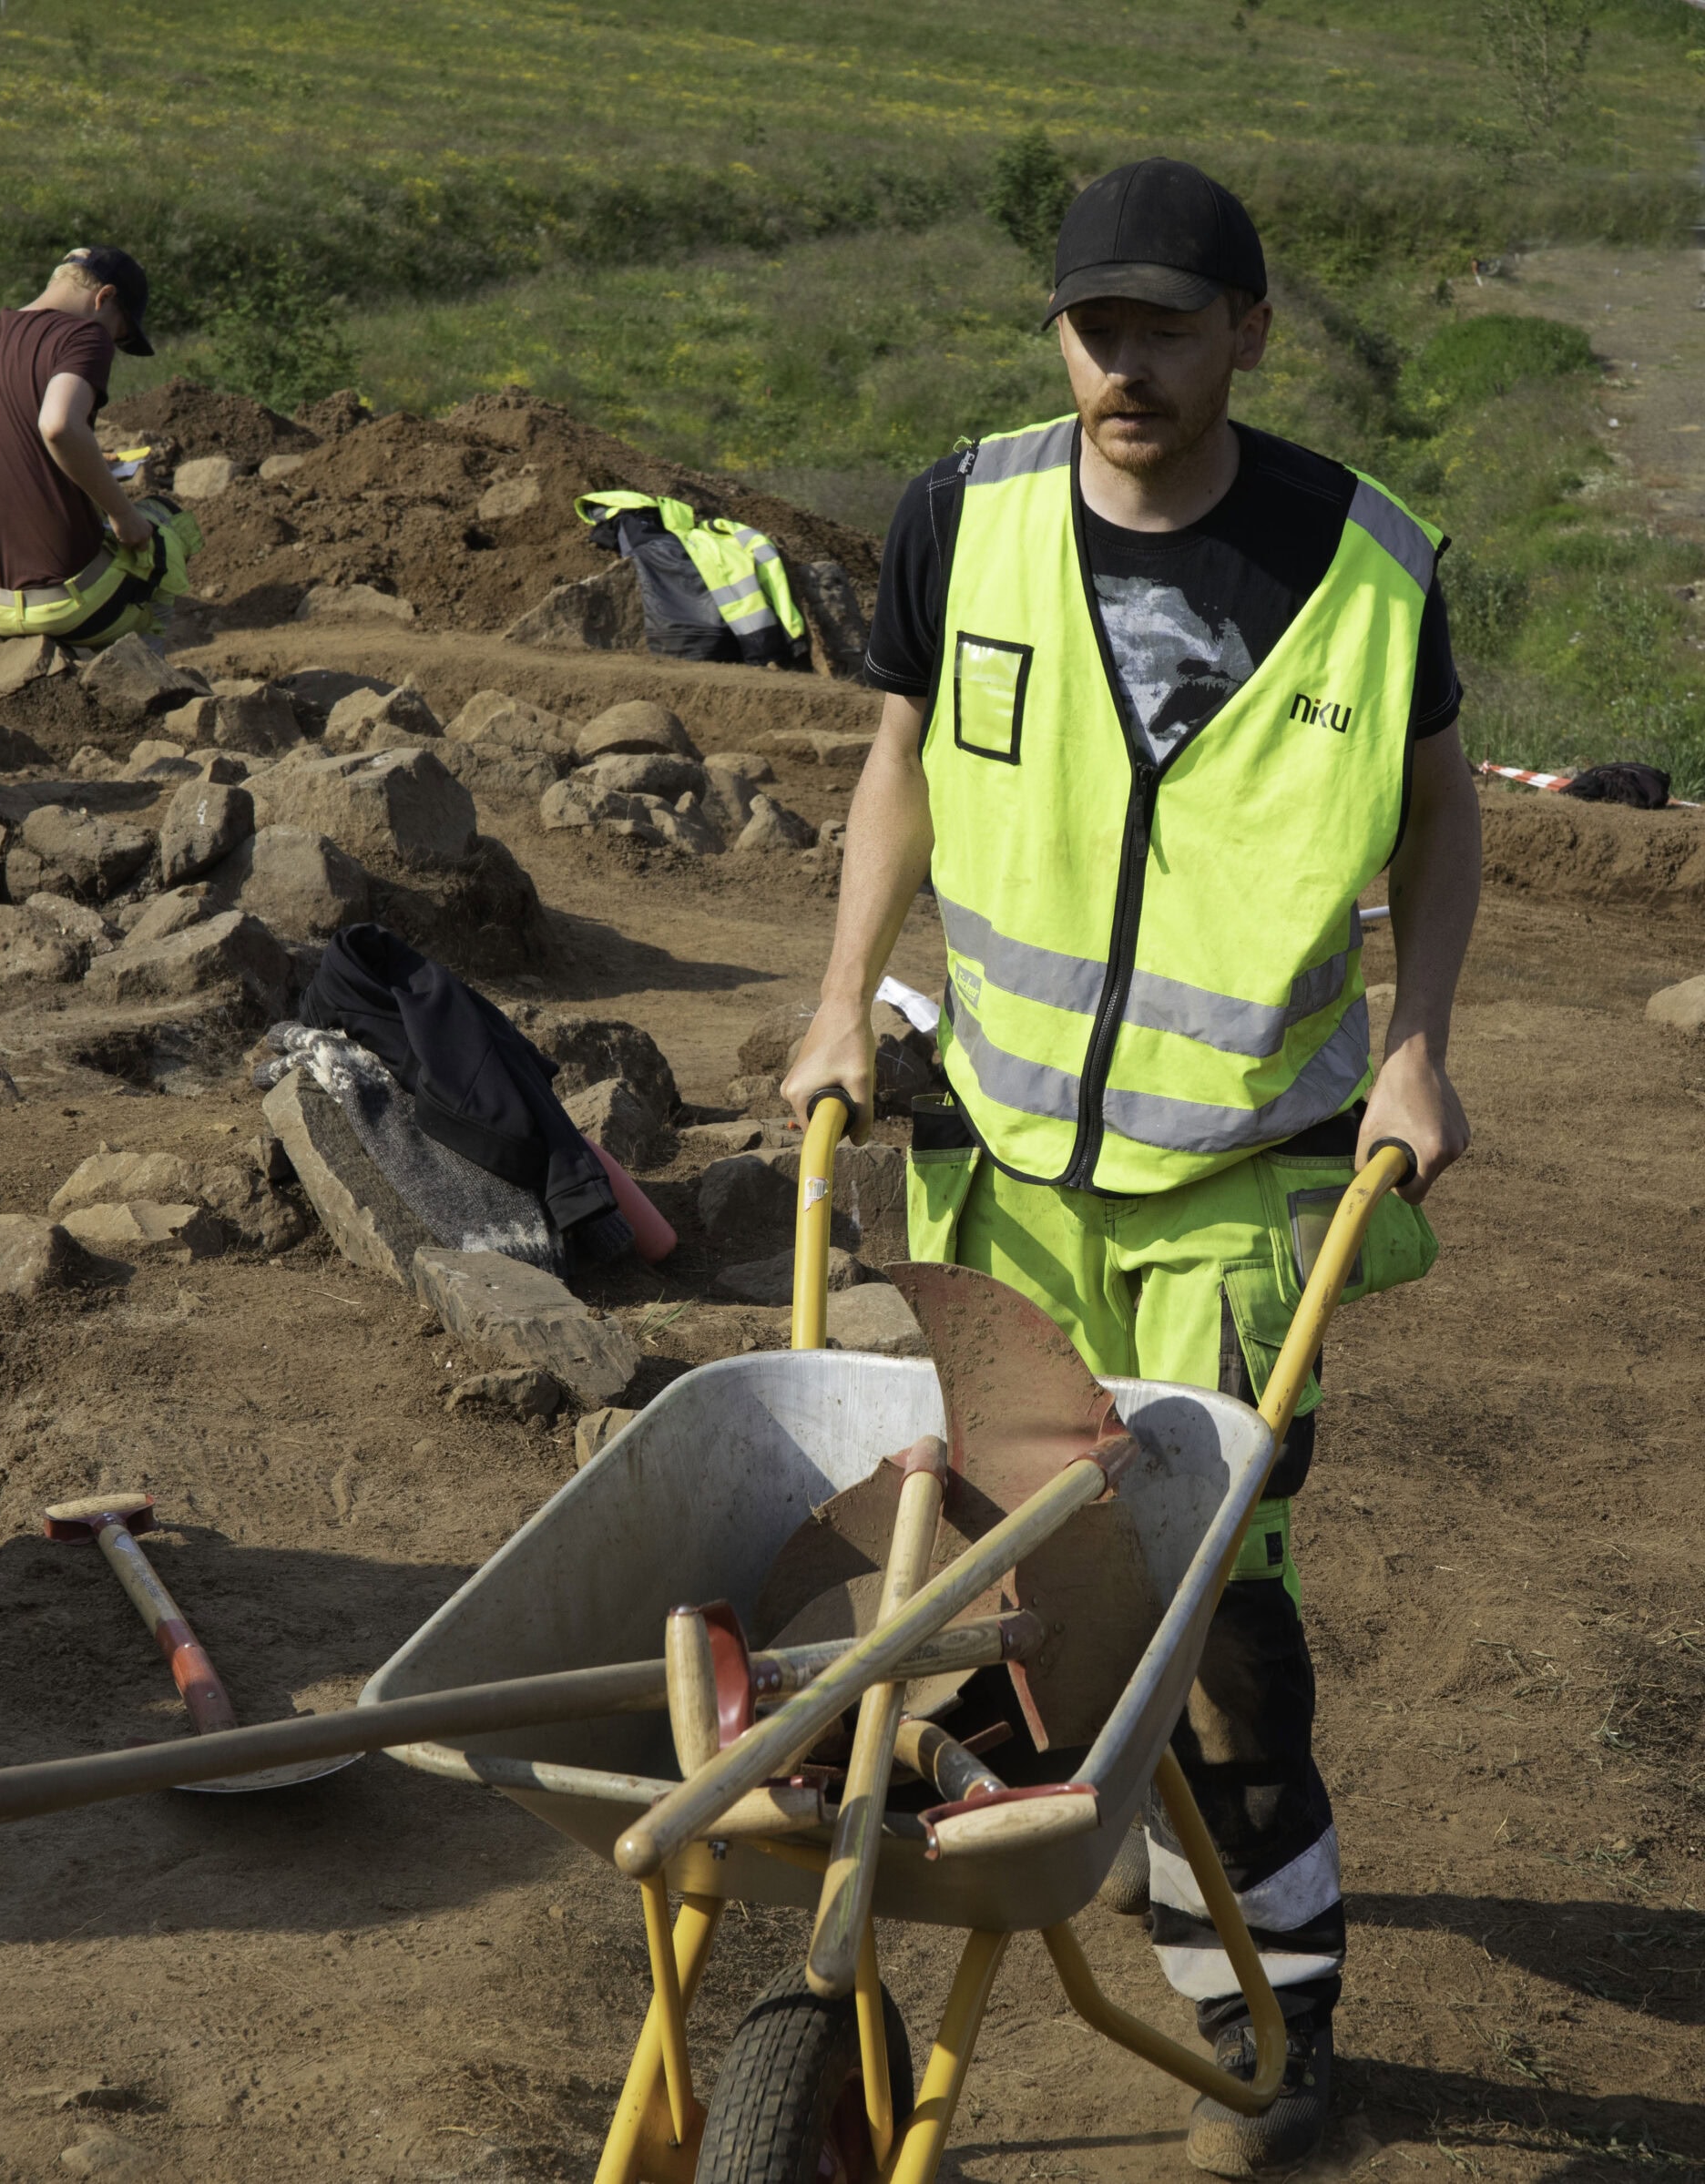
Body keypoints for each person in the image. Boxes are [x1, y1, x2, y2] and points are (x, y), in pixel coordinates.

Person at [781, 158, 1479, 2176]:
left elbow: (1437, 819)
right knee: (982, 1561)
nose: (1128, 365)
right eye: (1098, 326)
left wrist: (1414, 1043)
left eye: (1172, 326)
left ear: (1247, 334)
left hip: (1245, 1195)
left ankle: (1272, 2025)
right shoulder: (958, 515)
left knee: (1211, 1617)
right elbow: (900, 758)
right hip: (1005, 1177)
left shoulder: (1365, 562)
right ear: (1056, 331)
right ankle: (1036, 1843)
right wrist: (843, 998)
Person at [0, 246, 199, 650]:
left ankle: (30, 663)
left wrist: (89, 458)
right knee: (167, 525)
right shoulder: (85, 335)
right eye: (121, 331)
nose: (113, 342)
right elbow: (58, 426)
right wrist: (122, 514)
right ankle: (148, 686)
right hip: (66, 604)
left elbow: (5, 442)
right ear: (105, 297)